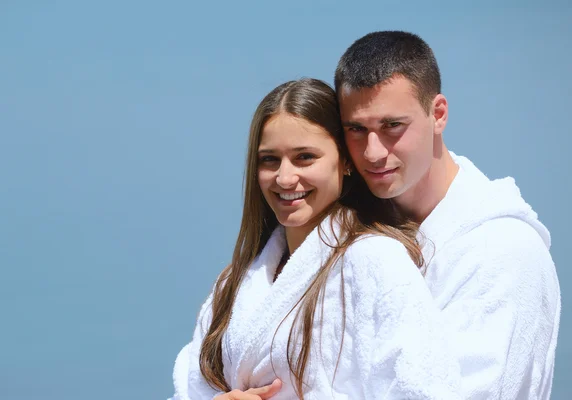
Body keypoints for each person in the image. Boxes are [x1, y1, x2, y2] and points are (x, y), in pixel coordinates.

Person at [168, 78, 462, 399]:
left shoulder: (377, 261)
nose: (284, 177)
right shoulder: (233, 283)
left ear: (346, 161)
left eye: (305, 157)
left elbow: (427, 390)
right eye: (269, 160)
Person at [334, 30, 561, 399]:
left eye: (392, 126)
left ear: (438, 114)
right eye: (357, 130)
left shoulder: (505, 252)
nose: (373, 152)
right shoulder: (351, 232)